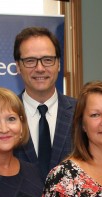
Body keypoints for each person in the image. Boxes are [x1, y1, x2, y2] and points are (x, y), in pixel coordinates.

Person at [13, 26, 76, 179]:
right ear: (18, 66)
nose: (40, 68)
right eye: (30, 61)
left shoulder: (81, 112)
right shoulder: (2, 116)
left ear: (59, 64)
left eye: (48, 60)